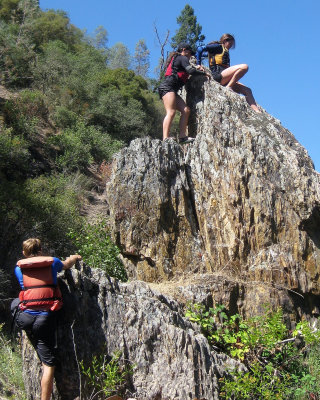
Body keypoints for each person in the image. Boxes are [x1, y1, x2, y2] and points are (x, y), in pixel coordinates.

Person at [13, 238, 81, 400]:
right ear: (41, 250)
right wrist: (75, 257)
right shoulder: (52, 263)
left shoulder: (19, 268)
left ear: (24, 252)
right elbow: (66, 264)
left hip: (26, 317)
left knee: (15, 303)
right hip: (45, 318)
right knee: (48, 364)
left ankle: (26, 332)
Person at [158, 42, 210, 143]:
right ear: (184, 50)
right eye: (190, 53)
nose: (190, 56)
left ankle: (182, 137)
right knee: (171, 112)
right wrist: (204, 73)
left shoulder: (180, 59)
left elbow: (188, 69)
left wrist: (197, 68)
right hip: (167, 88)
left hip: (172, 89)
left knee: (186, 110)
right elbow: (190, 71)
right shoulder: (182, 58)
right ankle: (165, 138)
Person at [196, 34, 261, 113]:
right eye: (230, 44)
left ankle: (257, 111)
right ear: (225, 41)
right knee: (244, 67)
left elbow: (206, 54)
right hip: (218, 75)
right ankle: (228, 87)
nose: (231, 46)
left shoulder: (224, 51)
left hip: (225, 77)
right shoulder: (219, 47)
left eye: (232, 44)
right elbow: (200, 49)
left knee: (248, 90)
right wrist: (198, 64)